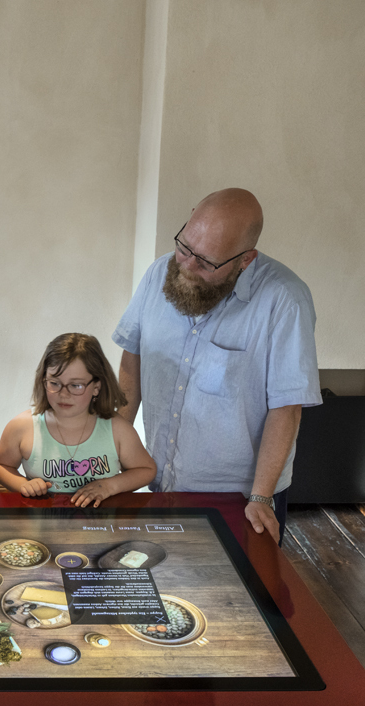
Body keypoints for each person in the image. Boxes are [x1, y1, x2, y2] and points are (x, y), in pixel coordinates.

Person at [113, 189, 320, 544]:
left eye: (206, 263)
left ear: (245, 259)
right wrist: (113, 448)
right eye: (184, 247)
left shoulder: (285, 301)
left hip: (238, 497)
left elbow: (287, 408)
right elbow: (133, 356)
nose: (187, 266)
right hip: (160, 478)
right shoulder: (158, 273)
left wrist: (260, 496)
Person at [0, 333, 156, 507]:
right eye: (54, 383)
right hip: (43, 526)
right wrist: (22, 484)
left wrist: (109, 486)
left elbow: (146, 470)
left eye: (75, 385)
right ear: (43, 380)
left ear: (96, 387)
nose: (64, 394)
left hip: (101, 526)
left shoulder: (117, 428)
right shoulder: (22, 426)